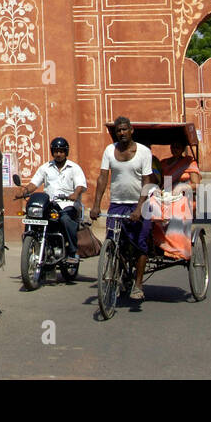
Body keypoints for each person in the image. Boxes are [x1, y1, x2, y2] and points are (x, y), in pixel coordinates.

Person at [90, 117, 156, 300]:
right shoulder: (110, 151)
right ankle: (120, 274)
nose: (122, 133)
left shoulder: (144, 152)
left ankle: (138, 283)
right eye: (118, 130)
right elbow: (103, 177)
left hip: (140, 204)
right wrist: (96, 206)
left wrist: (139, 208)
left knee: (140, 244)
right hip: (117, 204)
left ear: (131, 130)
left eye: (125, 129)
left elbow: (147, 181)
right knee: (114, 241)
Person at [21, 137, 87, 265]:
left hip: (68, 205)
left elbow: (80, 185)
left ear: (66, 152)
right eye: (56, 151)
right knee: (32, 217)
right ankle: (35, 246)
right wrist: (23, 191)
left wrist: (75, 194)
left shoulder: (74, 168)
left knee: (65, 220)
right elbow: (34, 184)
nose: (58, 154)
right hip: (49, 204)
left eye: (61, 151)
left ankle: (73, 252)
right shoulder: (45, 168)